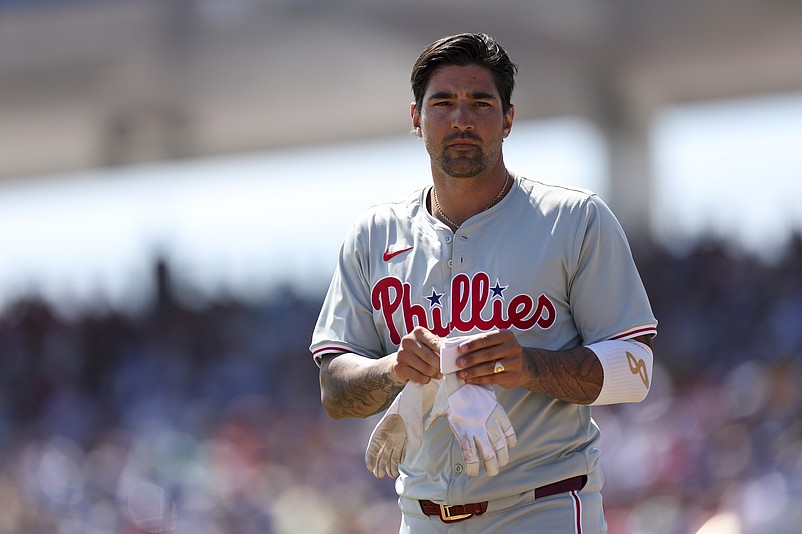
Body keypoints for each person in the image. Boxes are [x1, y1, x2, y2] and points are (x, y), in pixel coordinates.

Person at [311, 32, 657, 533]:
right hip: (421, 515)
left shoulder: (574, 219)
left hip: (544, 506)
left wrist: (528, 365)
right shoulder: (373, 235)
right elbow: (334, 391)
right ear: (416, 117)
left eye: (480, 103)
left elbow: (637, 370)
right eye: (443, 103)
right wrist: (393, 370)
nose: (461, 119)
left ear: (508, 119)